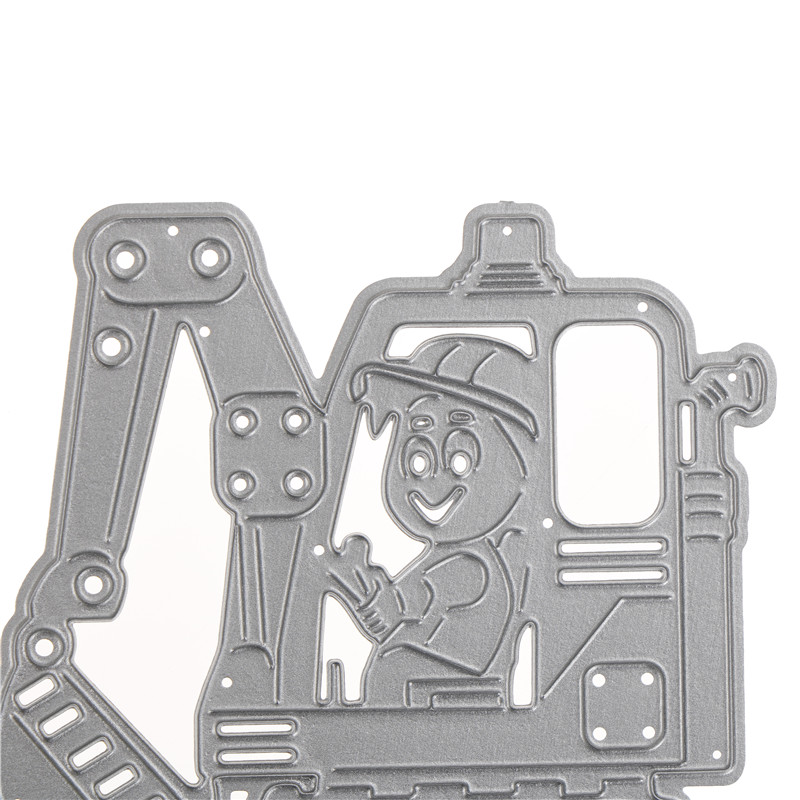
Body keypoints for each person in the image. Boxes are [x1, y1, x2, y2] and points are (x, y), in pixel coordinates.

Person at [331, 336, 538, 707]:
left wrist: (381, 603)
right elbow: (397, 615)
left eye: (459, 460)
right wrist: (372, 598)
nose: (432, 483)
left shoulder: (469, 566)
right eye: (418, 460)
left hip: (440, 700)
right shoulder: (452, 559)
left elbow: (410, 605)